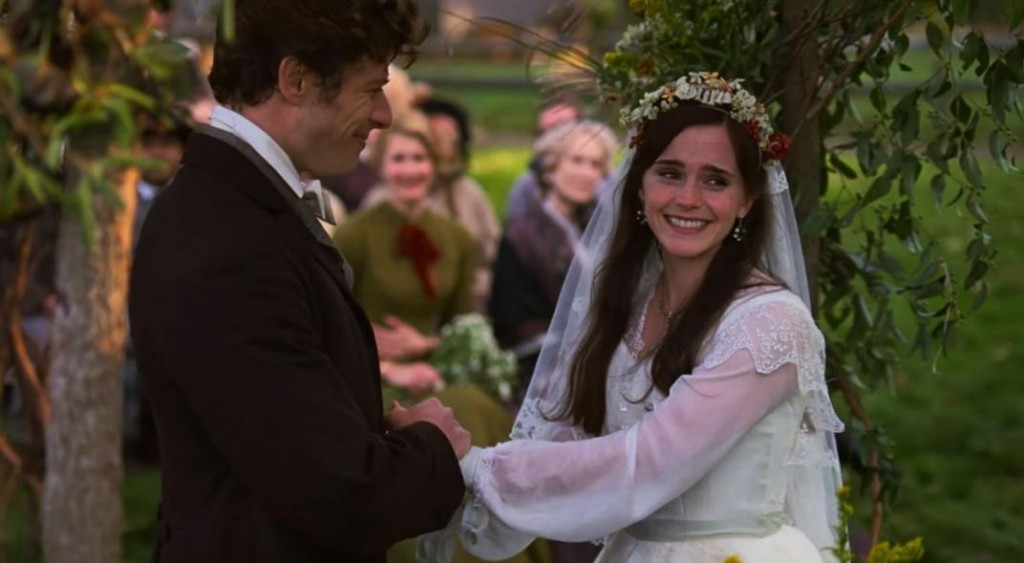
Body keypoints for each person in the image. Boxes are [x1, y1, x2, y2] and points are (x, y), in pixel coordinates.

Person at [422, 72, 845, 562]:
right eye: (669, 173)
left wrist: (480, 467)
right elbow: (571, 440)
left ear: (747, 201)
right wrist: (448, 456)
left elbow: (650, 460)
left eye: (716, 180)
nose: (688, 198)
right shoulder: (628, 306)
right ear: (639, 186)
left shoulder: (770, 324)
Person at [128, 2, 472, 562]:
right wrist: (433, 446)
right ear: (296, 80)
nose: (384, 114)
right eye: (371, 89)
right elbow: (338, 492)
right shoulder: (229, 245)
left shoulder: (238, 208)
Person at [489, 119, 618, 398]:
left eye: (595, 164)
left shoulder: (604, 230)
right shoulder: (522, 234)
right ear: (551, 168)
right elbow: (512, 320)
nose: (586, 173)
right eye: (577, 161)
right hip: (542, 368)